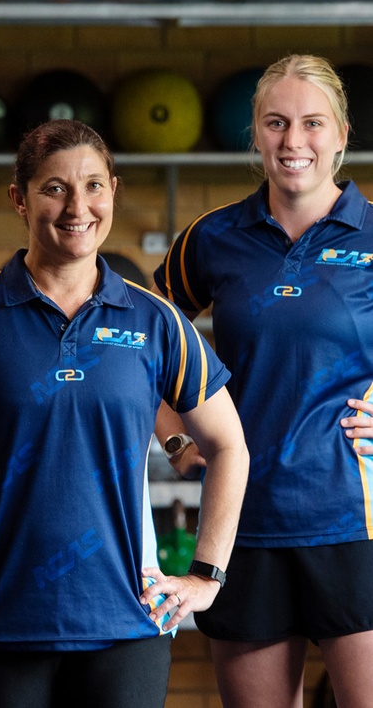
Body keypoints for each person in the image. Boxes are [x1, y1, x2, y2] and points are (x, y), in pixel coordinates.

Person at [0, 118, 249, 708]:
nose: (77, 207)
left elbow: (229, 446)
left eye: (94, 186)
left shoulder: (157, 321)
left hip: (128, 626)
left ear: (113, 191)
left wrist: (206, 576)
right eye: (55, 188)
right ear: (20, 198)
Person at [153, 54, 373, 708]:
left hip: (354, 524)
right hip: (242, 524)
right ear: (255, 133)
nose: (293, 140)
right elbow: (137, 343)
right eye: (276, 123)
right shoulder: (213, 238)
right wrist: (175, 441)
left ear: (342, 133)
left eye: (312, 123)